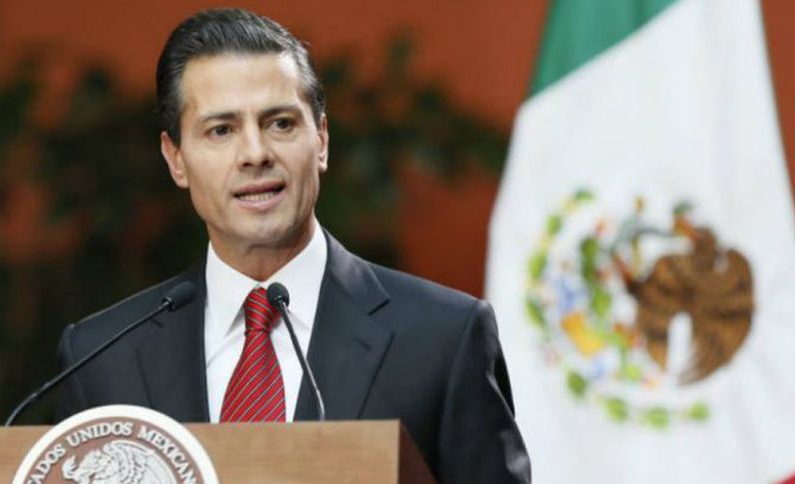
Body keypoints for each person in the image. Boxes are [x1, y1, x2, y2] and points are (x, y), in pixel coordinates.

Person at [56, 8, 530, 483]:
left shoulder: (443, 338)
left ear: (320, 139)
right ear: (176, 158)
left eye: (280, 123)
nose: (255, 154)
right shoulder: (102, 358)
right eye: (221, 130)